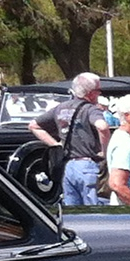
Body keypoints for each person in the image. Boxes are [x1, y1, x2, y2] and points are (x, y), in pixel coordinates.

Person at [36, 72, 109, 207]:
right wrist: (105, 152)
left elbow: (34, 125)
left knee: (73, 211)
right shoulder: (90, 109)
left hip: (68, 166)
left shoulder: (61, 108)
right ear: (91, 93)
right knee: (94, 212)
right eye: (98, 90)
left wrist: (56, 145)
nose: (100, 93)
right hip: (88, 166)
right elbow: (102, 127)